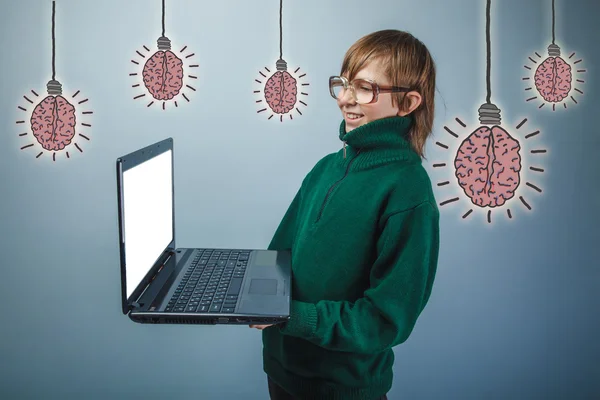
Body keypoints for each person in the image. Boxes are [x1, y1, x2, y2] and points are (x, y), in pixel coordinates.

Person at [250, 29, 440, 400]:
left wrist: (294, 316)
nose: (346, 99)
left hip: (342, 387)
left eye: (366, 88)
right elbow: (278, 257)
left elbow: (386, 320)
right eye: (344, 84)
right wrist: (238, 286)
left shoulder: (408, 191)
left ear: (408, 102)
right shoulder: (326, 168)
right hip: (281, 370)